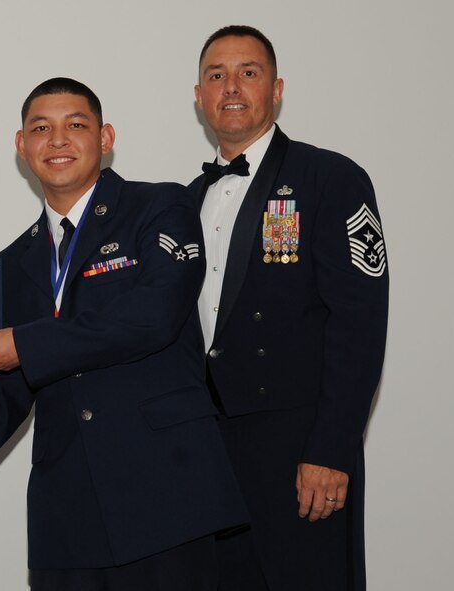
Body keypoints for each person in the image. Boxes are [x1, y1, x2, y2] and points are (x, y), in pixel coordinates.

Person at [0, 77, 247, 591]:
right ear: (21, 145)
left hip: (167, 496)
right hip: (68, 518)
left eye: (75, 125)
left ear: (105, 138)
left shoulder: (160, 207)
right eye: (41, 129)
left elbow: (154, 316)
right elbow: (3, 393)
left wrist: (27, 344)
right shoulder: (12, 265)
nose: (57, 140)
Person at [190, 26, 389, 590]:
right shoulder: (185, 201)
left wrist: (332, 449)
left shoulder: (331, 178)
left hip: (301, 451)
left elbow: (360, 325)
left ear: (276, 90)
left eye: (248, 73)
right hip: (212, 456)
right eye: (217, 75)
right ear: (199, 97)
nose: (232, 87)